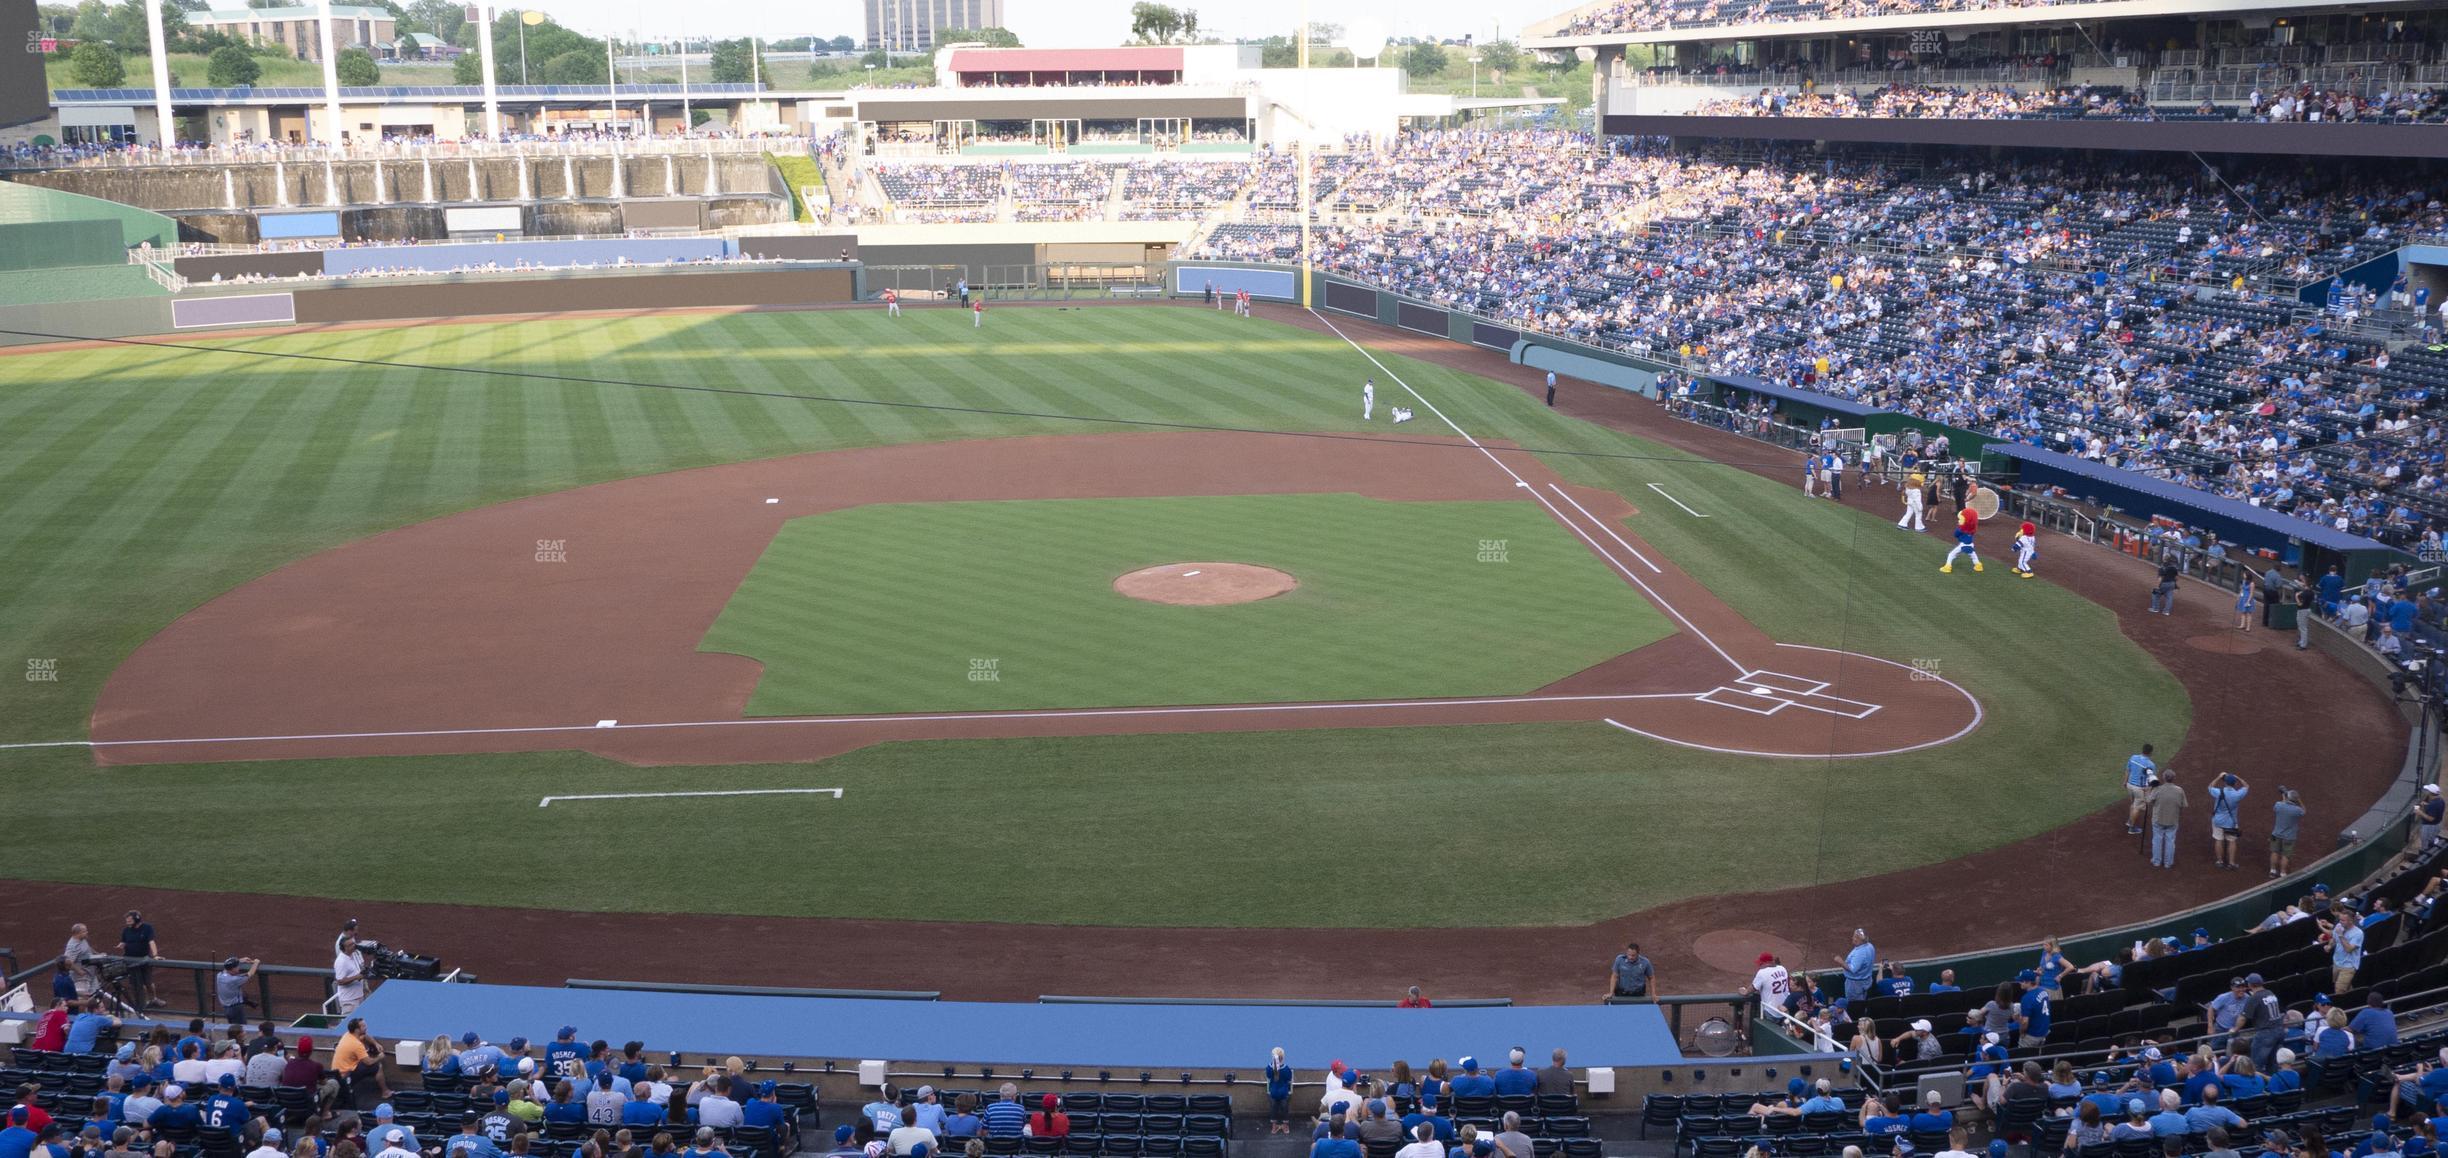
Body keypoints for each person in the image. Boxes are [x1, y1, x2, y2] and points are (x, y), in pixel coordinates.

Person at [118, 913, 161, 1010]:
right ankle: (144, 1003)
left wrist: (155, 955)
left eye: (129, 921)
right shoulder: (126, 930)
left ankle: (154, 999)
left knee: (149, 983)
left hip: (144, 959)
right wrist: (121, 945)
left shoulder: (147, 928)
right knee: (138, 984)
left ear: (136, 920)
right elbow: (124, 941)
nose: (127, 923)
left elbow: (151, 941)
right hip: (130, 961)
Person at [2146, 775, 2188, 869]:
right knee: (2170, 841)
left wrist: (2149, 789)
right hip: (2173, 820)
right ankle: (2168, 863)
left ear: (2164, 778)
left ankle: (2156, 861)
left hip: (2158, 820)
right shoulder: (2179, 790)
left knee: (2157, 840)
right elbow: (2183, 805)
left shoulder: (2157, 789)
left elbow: (2148, 800)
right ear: (2173, 778)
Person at [2210, 774, 2250, 871]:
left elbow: (2210, 786)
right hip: (2231, 822)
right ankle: (2231, 863)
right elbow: (2247, 786)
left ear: (2225, 782)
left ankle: (2220, 861)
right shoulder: (2238, 794)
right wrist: (2238, 777)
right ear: (2234, 783)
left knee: (2218, 840)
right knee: (2232, 841)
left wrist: (2219, 777)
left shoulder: (2219, 792)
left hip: (2218, 821)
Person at [215, 958, 259, 1029]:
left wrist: (240, 961)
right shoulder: (233, 980)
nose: (239, 968)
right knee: (240, 1029)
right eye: (237, 966)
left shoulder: (220, 975)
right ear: (232, 969)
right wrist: (256, 963)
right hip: (235, 1009)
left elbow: (226, 967)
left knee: (233, 1028)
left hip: (226, 1008)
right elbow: (250, 973)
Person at [1745, 953, 1792, 1020]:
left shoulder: (1762, 972)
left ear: (1767, 963)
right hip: (1785, 1008)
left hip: (1771, 1011)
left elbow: (1751, 989)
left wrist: (1744, 991)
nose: (1760, 965)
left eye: (1761, 963)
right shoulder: (1782, 968)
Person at [2271, 789, 2306, 878]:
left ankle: (2272, 870)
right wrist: (2299, 799)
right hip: (2289, 837)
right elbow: (2304, 811)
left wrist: (2284, 797)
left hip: (2275, 834)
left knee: (2274, 852)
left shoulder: (2278, 805)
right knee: (2285, 855)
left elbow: (2279, 806)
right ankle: (2282, 873)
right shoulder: (2297, 810)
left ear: (2287, 797)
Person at [2127, 744, 2159, 835]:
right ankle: (2131, 828)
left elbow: (2128, 770)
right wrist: (2149, 790)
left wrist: (2125, 782)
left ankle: (2130, 821)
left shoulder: (2133, 757)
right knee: (2137, 807)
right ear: (2151, 752)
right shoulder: (2151, 765)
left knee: (2133, 804)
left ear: (2142, 750)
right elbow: (2151, 778)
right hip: (2139, 788)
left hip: (2130, 785)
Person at [1940, 502, 1981, 573]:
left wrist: (1960, 527)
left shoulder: (1961, 529)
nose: (1959, 520)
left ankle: (1947, 567)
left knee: (1951, 554)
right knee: (1973, 556)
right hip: (1971, 545)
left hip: (1963, 545)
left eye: (1960, 519)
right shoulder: (1972, 529)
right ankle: (1978, 566)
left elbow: (1956, 534)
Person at [332, 941, 370, 1016]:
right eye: (351, 945)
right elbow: (340, 981)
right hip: (349, 1000)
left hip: (359, 996)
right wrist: (356, 977)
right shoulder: (341, 961)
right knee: (349, 1025)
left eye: (353, 943)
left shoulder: (354, 955)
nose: (354, 945)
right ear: (345, 948)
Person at [1840, 930, 1877, 1004]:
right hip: (1866, 980)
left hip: (1855, 984)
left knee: (1855, 1006)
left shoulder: (1860, 953)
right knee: (1863, 1001)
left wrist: (1840, 961)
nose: (1852, 938)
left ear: (1859, 940)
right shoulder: (1870, 946)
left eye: (1855, 937)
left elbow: (1852, 969)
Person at [1266, 1050, 1292, 1135]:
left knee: (1273, 1109)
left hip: (1273, 1093)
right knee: (1285, 1109)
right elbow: (1289, 1078)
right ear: (1282, 1057)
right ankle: (1285, 1127)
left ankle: (1274, 1127)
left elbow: (1268, 1076)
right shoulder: (1286, 1069)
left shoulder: (1269, 1067)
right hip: (1284, 1093)